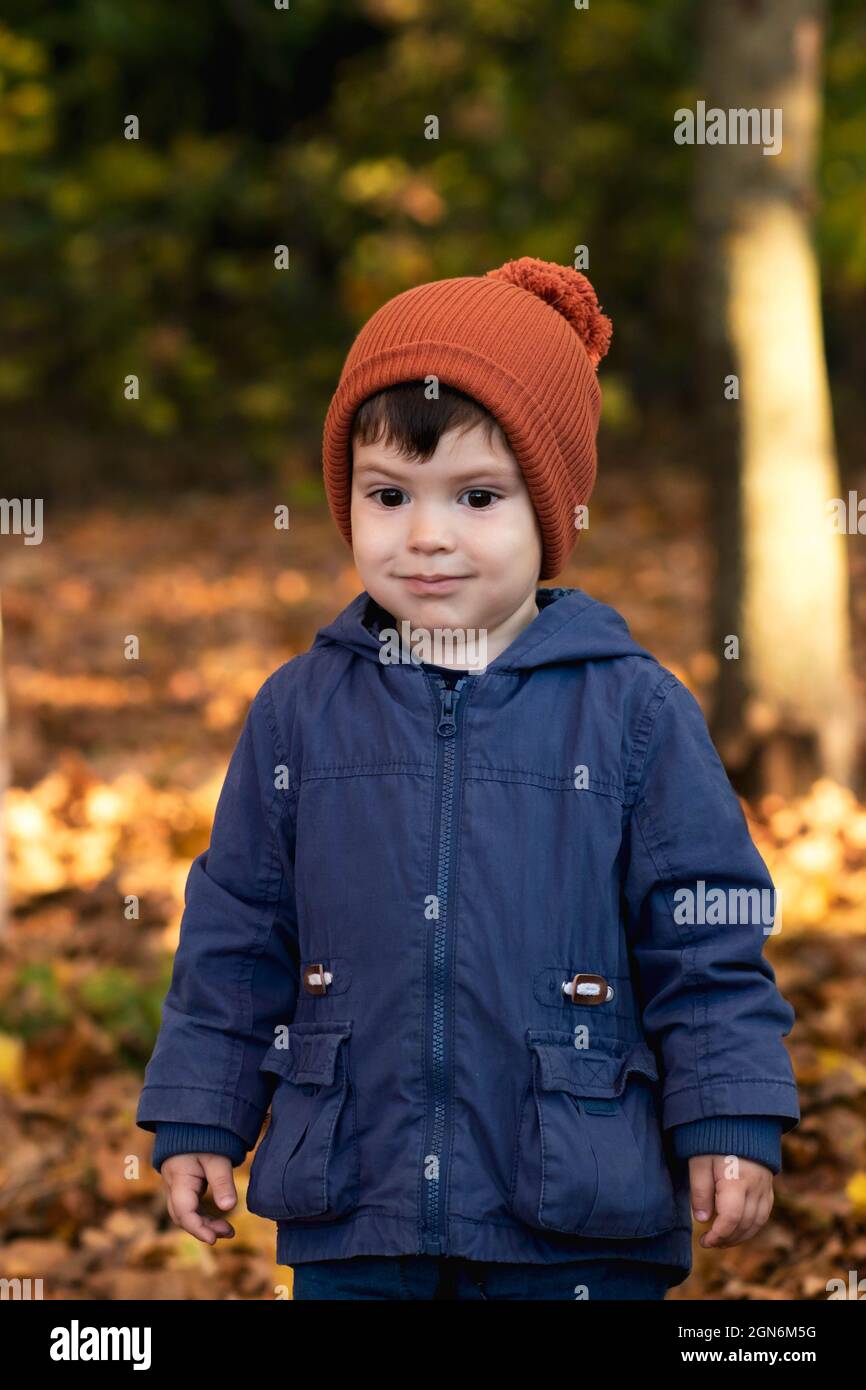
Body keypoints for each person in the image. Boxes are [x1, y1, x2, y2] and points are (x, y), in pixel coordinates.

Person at [136, 257, 800, 1301]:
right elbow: (238, 934)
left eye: (477, 496)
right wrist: (201, 1114)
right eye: (387, 494)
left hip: (576, 1208)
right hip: (357, 1209)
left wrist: (727, 1115)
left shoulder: (630, 709)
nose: (426, 535)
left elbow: (702, 933)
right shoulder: (299, 712)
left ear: (549, 510)